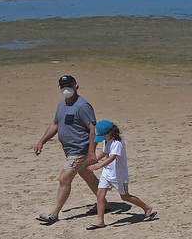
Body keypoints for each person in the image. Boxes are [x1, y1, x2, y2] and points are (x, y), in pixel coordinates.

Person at [32, 75, 101, 225]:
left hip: (79, 150)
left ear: (76, 86)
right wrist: (41, 142)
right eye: (63, 86)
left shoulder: (83, 106)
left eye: (69, 85)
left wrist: (91, 151)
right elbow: (55, 124)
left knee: (64, 179)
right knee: (88, 176)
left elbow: (93, 128)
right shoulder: (61, 105)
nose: (66, 89)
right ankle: (105, 203)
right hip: (70, 150)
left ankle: (54, 214)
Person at [84, 120, 158, 229]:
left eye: (103, 136)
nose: (102, 139)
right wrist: (95, 160)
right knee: (100, 195)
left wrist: (98, 166)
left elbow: (112, 157)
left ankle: (147, 208)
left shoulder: (118, 142)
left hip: (118, 175)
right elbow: (105, 152)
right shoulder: (107, 141)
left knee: (125, 197)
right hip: (107, 173)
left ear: (110, 133)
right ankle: (100, 221)